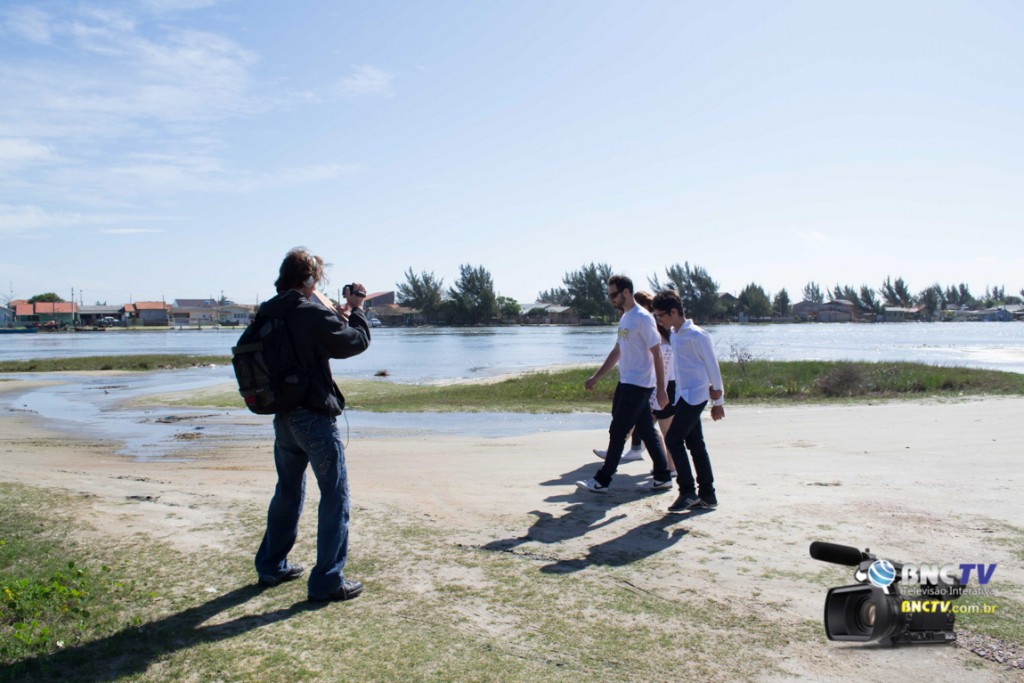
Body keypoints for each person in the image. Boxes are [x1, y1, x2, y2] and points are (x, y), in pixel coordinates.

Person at [254, 247, 371, 602]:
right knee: (335, 495)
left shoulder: (269, 310)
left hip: (283, 416)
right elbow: (355, 342)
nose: (317, 286)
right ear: (308, 279)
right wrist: (358, 310)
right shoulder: (307, 311)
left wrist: (336, 315)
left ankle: (272, 565)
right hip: (314, 416)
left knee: (288, 491)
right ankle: (327, 581)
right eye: (316, 280)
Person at [576, 275, 674, 494]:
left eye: (614, 294)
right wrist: (596, 377)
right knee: (646, 429)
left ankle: (602, 480)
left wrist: (661, 388)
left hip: (639, 384)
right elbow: (617, 351)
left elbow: (657, 354)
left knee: (618, 430)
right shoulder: (626, 318)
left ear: (626, 292)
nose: (611, 299)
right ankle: (663, 477)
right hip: (627, 381)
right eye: (609, 295)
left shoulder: (643, 318)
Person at [651, 289, 725, 513]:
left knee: (673, 439)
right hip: (683, 396)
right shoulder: (674, 335)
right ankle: (708, 495)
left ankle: (687, 492)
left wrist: (718, 402)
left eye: (660, 316)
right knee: (695, 445)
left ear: (673, 312)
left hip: (696, 396)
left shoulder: (698, 336)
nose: (659, 321)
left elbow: (713, 368)